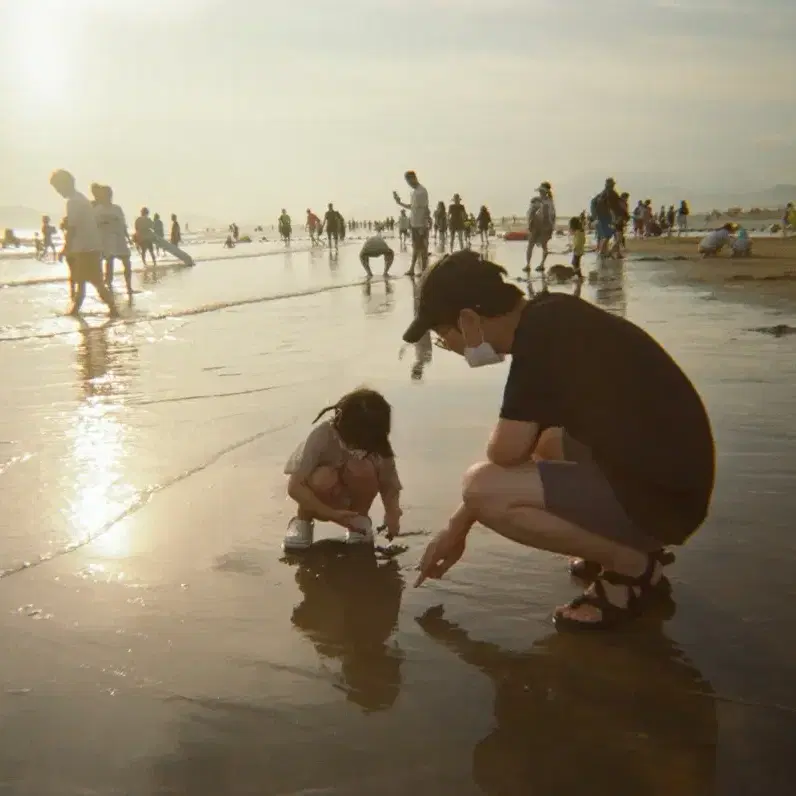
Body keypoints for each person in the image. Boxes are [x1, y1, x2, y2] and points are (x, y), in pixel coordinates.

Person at [402, 251, 714, 630]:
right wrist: (457, 527)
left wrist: (466, 514)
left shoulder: (540, 337)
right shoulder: (552, 315)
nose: (447, 347)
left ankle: (632, 568)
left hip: (665, 503)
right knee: (546, 443)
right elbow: (530, 444)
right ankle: (628, 547)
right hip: (674, 490)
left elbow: (503, 452)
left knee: (482, 487)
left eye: (442, 336)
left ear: (468, 319)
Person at [282, 388, 403, 552]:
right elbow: (295, 487)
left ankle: (358, 519)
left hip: (351, 498)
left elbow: (389, 482)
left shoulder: (377, 443)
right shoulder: (322, 435)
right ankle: (303, 521)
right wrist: (331, 514)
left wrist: (392, 513)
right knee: (322, 477)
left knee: (364, 469)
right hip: (319, 499)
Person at [49, 169, 118, 317]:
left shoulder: (73, 202)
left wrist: (65, 248)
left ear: (66, 184)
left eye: (58, 187)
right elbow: (79, 223)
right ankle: (77, 311)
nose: (58, 192)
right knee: (85, 281)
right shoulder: (81, 199)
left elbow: (73, 229)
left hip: (85, 248)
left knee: (94, 282)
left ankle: (112, 309)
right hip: (90, 246)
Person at [92, 183, 133, 296]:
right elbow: (93, 226)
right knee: (109, 263)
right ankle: (109, 286)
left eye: (110, 194)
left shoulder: (117, 208)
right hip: (106, 240)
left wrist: (128, 238)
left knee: (127, 262)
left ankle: (129, 286)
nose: (108, 196)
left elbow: (123, 224)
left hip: (119, 239)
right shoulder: (97, 210)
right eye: (106, 194)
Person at [393, 170, 429, 276]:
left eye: (408, 181)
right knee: (415, 247)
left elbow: (426, 209)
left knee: (422, 248)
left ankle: (424, 270)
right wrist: (399, 203)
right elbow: (412, 207)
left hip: (420, 224)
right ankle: (412, 269)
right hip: (414, 224)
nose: (408, 183)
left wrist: (424, 224)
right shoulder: (413, 192)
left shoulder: (422, 191)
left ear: (413, 178)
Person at [590, 178, 627, 258]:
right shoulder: (611, 193)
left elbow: (594, 204)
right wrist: (623, 215)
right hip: (609, 218)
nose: (613, 185)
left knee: (607, 236)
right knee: (614, 237)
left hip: (600, 218)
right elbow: (615, 206)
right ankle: (605, 253)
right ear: (612, 185)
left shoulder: (601, 194)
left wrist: (595, 218)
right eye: (613, 184)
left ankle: (607, 253)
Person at [524, 182, 556, 273]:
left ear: (545, 192)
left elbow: (533, 213)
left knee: (538, 245)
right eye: (540, 191)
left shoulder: (545, 202)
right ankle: (529, 264)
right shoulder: (547, 201)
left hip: (542, 226)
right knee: (533, 245)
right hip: (539, 226)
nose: (540, 193)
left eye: (542, 191)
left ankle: (539, 264)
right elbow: (531, 213)